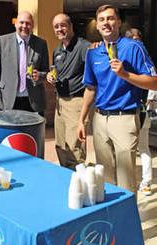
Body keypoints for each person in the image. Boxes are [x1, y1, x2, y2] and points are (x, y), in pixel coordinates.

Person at [77, 5, 157, 194]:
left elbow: (154, 82)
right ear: (97, 26)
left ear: (119, 23)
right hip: (99, 120)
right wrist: (81, 120)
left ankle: (128, 223)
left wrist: (125, 74)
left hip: (124, 118)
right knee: (105, 178)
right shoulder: (93, 52)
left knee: (126, 181)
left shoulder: (133, 47)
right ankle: (110, 221)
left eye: (111, 18)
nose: (106, 23)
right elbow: (90, 88)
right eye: (102, 19)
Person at [46, 13, 90, 170]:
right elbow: (55, 71)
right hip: (60, 103)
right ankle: (67, 177)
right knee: (60, 145)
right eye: (56, 27)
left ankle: (80, 182)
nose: (59, 29)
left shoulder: (84, 46)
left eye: (62, 25)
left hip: (76, 102)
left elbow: (93, 73)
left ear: (71, 26)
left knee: (75, 147)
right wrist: (51, 76)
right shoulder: (57, 50)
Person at [0, 11, 49, 115]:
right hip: (8, 99)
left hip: (33, 101)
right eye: (21, 22)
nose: (24, 26)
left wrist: (39, 76)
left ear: (32, 25)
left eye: (28, 23)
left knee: (31, 131)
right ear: (16, 23)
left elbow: (46, 71)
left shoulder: (41, 44)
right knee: (9, 131)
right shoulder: (2, 41)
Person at [125, 28, 157, 195]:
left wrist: (150, 100)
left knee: (143, 147)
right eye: (134, 40)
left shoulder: (145, 59)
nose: (138, 44)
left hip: (142, 109)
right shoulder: (125, 59)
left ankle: (145, 182)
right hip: (126, 111)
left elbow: (153, 82)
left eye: (139, 40)